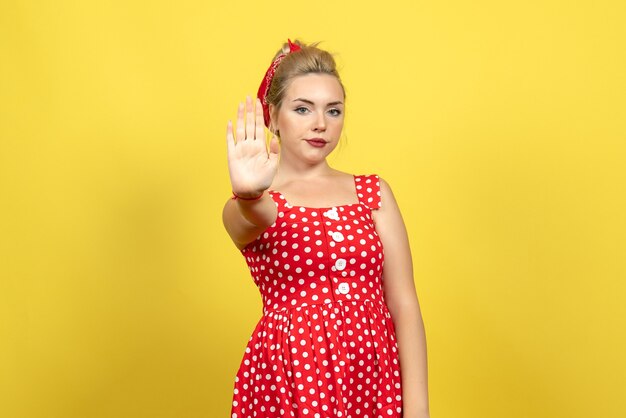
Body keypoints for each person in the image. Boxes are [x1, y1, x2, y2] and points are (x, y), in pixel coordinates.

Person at [222, 39, 430, 418]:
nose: (320, 124)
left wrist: (417, 409)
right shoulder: (258, 204)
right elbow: (250, 218)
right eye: (302, 109)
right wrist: (249, 193)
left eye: (333, 111)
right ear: (273, 117)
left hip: (374, 381)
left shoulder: (373, 192)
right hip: (291, 378)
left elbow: (404, 304)